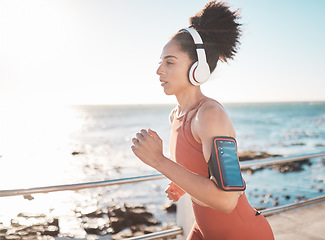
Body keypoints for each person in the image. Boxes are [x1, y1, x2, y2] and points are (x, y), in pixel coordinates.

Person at [131, 1, 274, 239]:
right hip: (204, 231)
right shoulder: (176, 116)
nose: (159, 70)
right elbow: (202, 172)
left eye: (169, 62)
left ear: (198, 69)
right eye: (160, 62)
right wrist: (183, 184)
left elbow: (227, 200)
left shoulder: (210, 115)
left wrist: (159, 161)